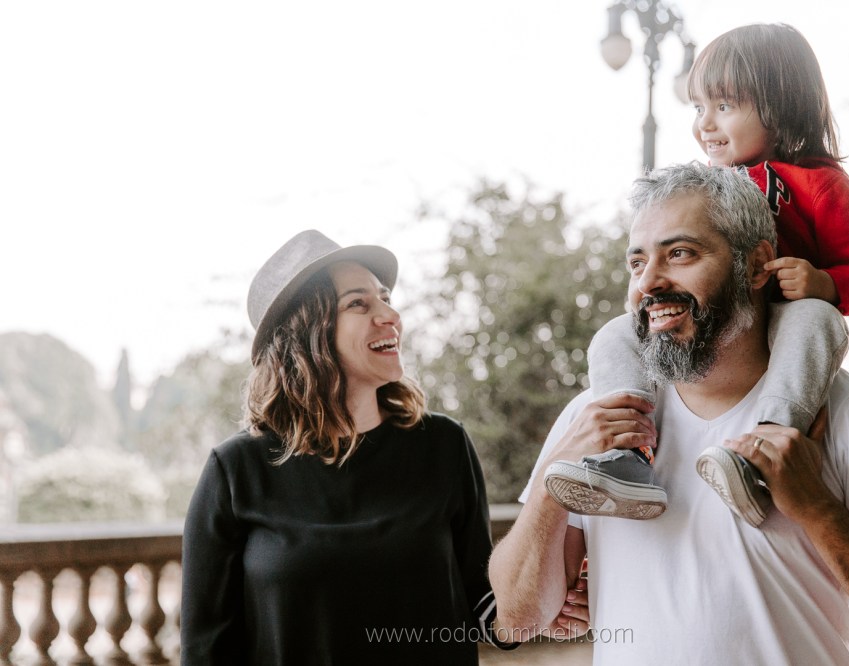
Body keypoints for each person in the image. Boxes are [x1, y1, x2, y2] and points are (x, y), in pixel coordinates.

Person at [489, 163, 849, 664]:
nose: (649, 282)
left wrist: (816, 508)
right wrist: (552, 479)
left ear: (757, 264)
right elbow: (517, 620)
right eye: (637, 263)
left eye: (680, 253)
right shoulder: (594, 416)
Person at [180, 230, 585, 664]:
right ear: (306, 331)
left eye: (386, 298)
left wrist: (544, 601)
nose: (390, 315)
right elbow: (205, 652)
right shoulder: (235, 470)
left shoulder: (443, 446)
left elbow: (487, 607)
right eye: (359, 303)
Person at [543, 23, 849, 526]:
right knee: (614, 336)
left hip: (783, 323)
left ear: (781, 107)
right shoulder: (704, 185)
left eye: (723, 106)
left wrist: (826, 284)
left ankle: (764, 454)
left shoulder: (823, 184)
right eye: (698, 108)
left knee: (818, 319)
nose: (705, 124)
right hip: (718, 323)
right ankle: (626, 454)